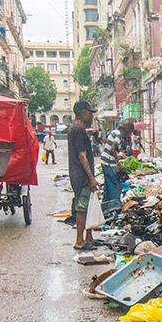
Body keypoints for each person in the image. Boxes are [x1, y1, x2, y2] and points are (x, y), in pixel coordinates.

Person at [67, 101, 98, 250]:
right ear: (82, 113)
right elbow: (82, 156)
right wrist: (91, 177)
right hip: (81, 175)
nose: (91, 115)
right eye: (89, 112)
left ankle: (89, 237)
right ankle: (79, 240)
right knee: (82, 207)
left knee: (88, 204)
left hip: (79, 174)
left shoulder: (76, 129)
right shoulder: (78, 130)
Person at [101, 119, 134, 221]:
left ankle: (104, 213)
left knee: (107, 188)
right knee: (115, 186)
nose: (130, 134)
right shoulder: (120, 135)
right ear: (127, 129)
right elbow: (113, 148)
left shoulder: (114, 131)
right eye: (130, 131)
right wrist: (118, 163)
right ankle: (114, 214)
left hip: (104, 162)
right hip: (110, 163)